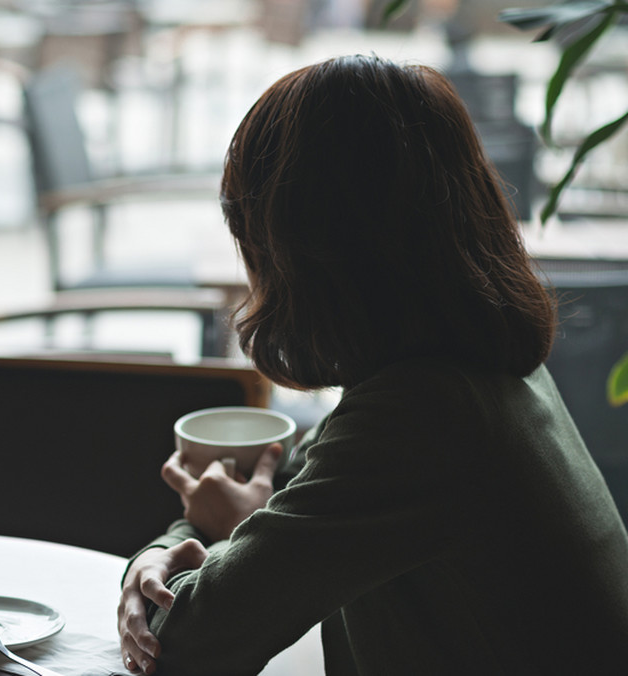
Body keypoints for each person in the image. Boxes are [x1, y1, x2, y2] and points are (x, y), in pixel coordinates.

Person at [117, 54, 628, 675]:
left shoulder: (419, 418)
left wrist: (181, 543)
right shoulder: (486, 374)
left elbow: (183, 645)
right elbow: (302, 499)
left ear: (301, 251)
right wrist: (207, 537)